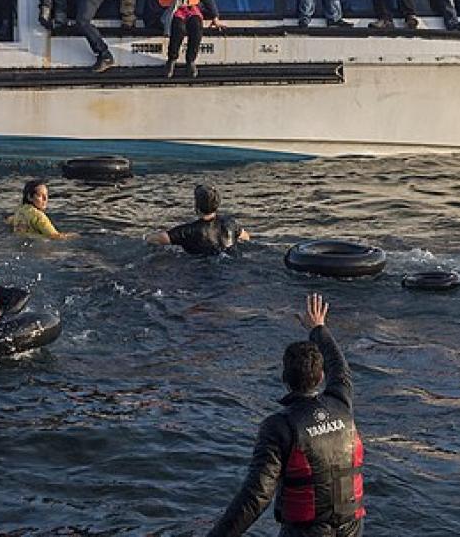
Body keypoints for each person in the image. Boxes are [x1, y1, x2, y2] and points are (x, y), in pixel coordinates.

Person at [208, 293, 365, 537]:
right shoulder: (341, 403)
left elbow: (257, 494)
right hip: (351, 530)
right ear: (321, 376)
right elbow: (339, 365)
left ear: (285, 380)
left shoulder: (279, 427)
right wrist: (318, 328)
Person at [146, 184, 250, 255]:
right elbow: (246, 237)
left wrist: (146, 236)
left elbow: (153, 239)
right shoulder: (231, 223)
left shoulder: (188, 231)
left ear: (196, 206)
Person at [5, 180, 75, 240]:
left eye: (46, 195)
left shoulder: (19, 211)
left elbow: (9, 221)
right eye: (40, 195)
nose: (45, 199)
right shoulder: (39, 216)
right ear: (30, 197)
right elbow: (54, 236)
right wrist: (72, 236)